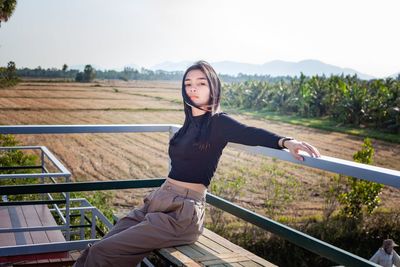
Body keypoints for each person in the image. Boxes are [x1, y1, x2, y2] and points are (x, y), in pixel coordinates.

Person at [73, 60, 321, 266]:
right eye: (188, 83)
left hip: (182, 213)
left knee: (102, 253)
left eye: (201, 83)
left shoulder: (218, 123)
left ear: (213, 88)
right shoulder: (187, 124)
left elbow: (251, 133)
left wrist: (286, 141)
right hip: (159, 199)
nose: (193, 88)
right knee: (94, 249)